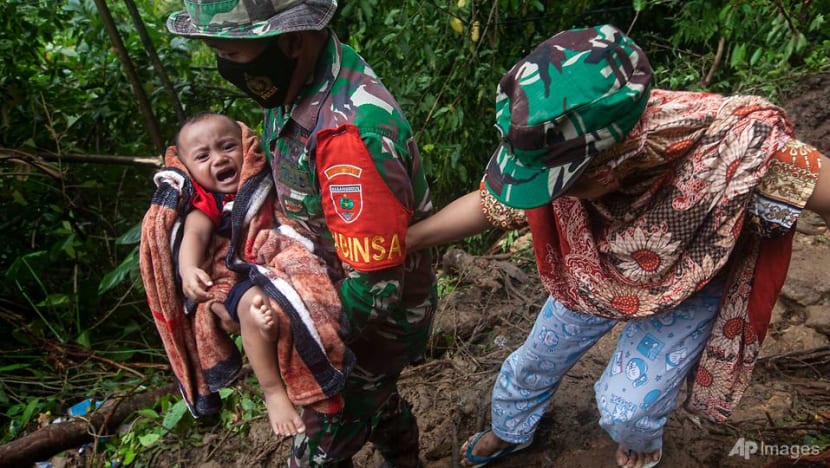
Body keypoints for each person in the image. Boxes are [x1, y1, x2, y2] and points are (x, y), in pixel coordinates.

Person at [407, 25, 830, 468]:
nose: (550, 198)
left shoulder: (738, 149)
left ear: (612, 163)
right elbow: (490, 204)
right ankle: (509, 429)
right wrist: (409, 241)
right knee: (533, 360)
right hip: (591, 270)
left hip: (689, 282)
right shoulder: (555, 150)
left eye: (564, 185)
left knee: (628, 410)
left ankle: (642, 442)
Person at [165, 2, 437, 467]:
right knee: (373, 401)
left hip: (366, 316)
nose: (228, 67)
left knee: (316, 448)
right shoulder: (295, 84)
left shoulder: (348, 134)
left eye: (234, 53)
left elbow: (375, 288)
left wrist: (283, 333)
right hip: (320, 281)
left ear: (291, 40)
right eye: (219, 53)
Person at [175, 112, 306, 436]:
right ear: (188, 169)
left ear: (245, 148)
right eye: (203, 156)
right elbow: (194, 235)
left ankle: (277, 330)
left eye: (227, 147)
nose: (219, 159)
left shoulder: (262, 179)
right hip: (236, 276)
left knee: (290, 298)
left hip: (274, 264)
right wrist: (188, 269)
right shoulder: (207, 200)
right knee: (252, 305)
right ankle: (274, 392)